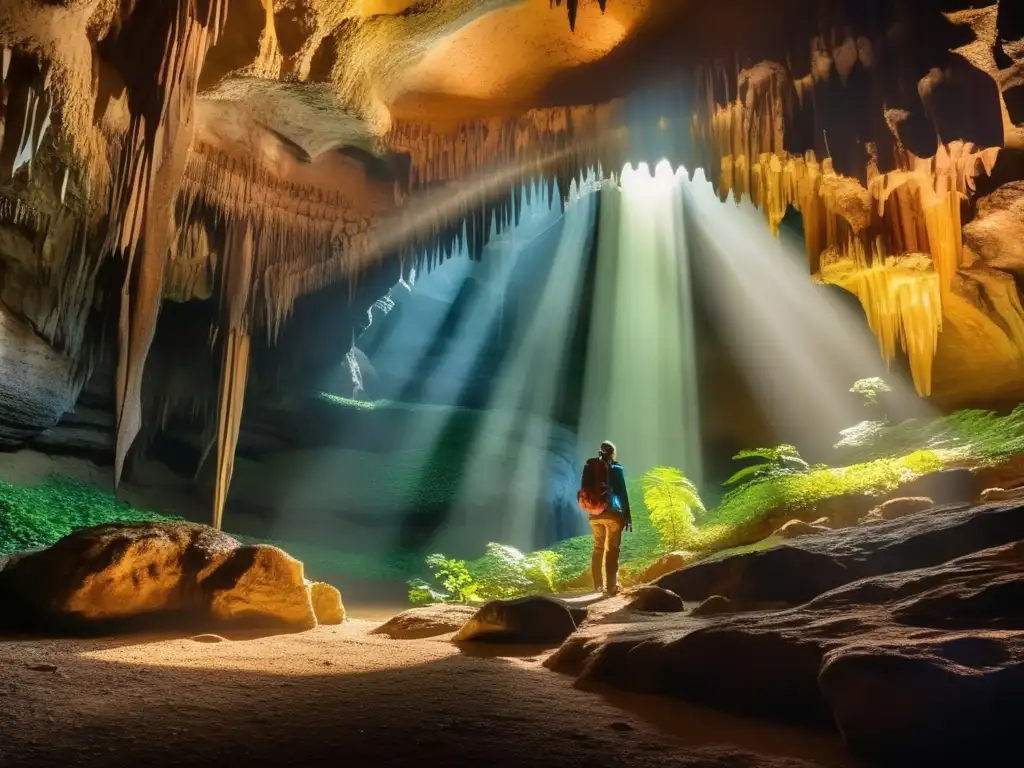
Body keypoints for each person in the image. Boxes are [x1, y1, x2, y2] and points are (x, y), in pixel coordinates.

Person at [584, 441, 632, 596]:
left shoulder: (591, 468)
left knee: (598, 548)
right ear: (612, 454)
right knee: (612, 550)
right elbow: (622, 493)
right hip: (612, 514)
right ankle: (611, 587)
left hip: (594, 514)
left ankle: (597, 586)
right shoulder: (616, 469)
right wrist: (627, 515)